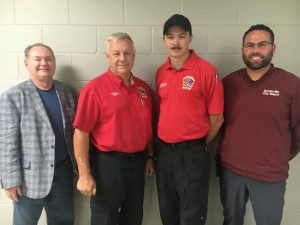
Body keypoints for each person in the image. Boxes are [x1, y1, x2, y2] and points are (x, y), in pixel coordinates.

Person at [218, 24, 300, 225]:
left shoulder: (292, 84)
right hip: (231, 171)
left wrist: (278, 156)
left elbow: (298, 132)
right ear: (243, 50)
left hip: (270, 175)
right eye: (250, 45)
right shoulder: (228, 84)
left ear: (273, 48)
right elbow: (218, 124)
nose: (255, 50)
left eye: (262, 45)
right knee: (231, 220)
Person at [73, 32, 154, 225]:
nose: (122, 58)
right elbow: (81, 132)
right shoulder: (94, 89)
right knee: (106, 219)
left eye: (127, 53)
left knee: (133, 217)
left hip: (138, 164)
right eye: (116, 53)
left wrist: (150, 156)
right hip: (108, 165)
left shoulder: (143, 89)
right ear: (107, 56)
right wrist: (84, 173)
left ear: (134, 56)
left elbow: (147, 126)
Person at [155, 14, 224, 225]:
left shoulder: (206, 71)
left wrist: (197, 144)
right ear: (164, 40)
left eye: (181, 36)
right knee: (168, 213)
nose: (176, 42)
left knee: (191, 217)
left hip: (193, 154)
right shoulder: (161, 73)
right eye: (170, 37)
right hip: (165, 154)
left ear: (190, 39)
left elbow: (217, 119)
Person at [0, 43, 77, 225]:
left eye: (48, 59)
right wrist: (10, 180)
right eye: (38, 59)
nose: (44, 63)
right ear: (26, 64)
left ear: (54, 63)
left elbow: (77, 133)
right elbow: (6, 142)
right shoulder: (12, 96)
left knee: (63, 221)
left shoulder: (68, 93)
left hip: (63, 173)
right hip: (28, 178)